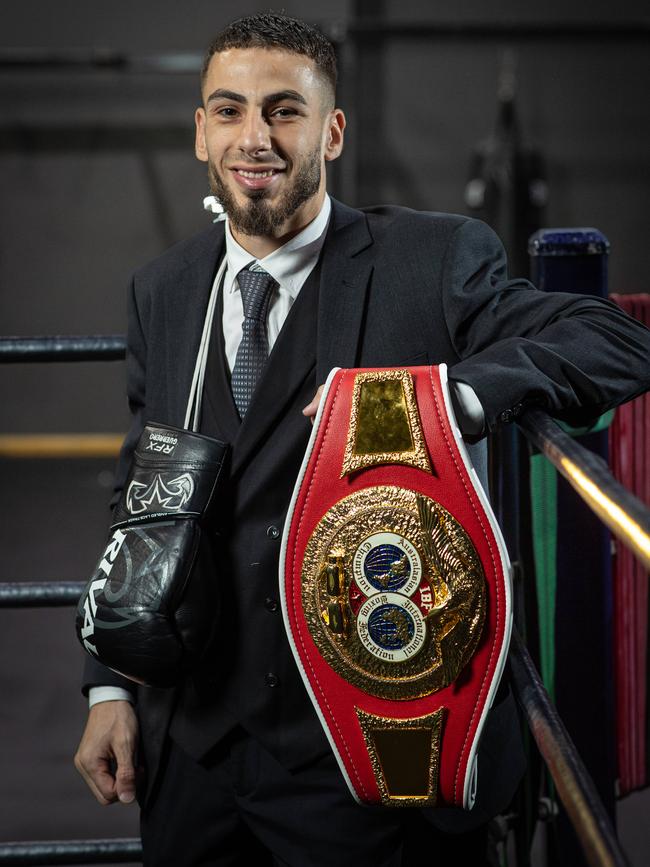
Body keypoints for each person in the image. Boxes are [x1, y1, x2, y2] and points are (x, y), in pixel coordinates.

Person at [74, 12, 650, 867]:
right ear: (200, 133)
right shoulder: (164, 289)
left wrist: (450, 397)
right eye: (228, 111)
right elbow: (142, 489)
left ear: (332, 129)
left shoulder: (432, 259)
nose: (254, 137)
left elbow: (617, 343)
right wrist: (109, 682)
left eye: (284, 110)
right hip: (191, 750)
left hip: (364, 759)